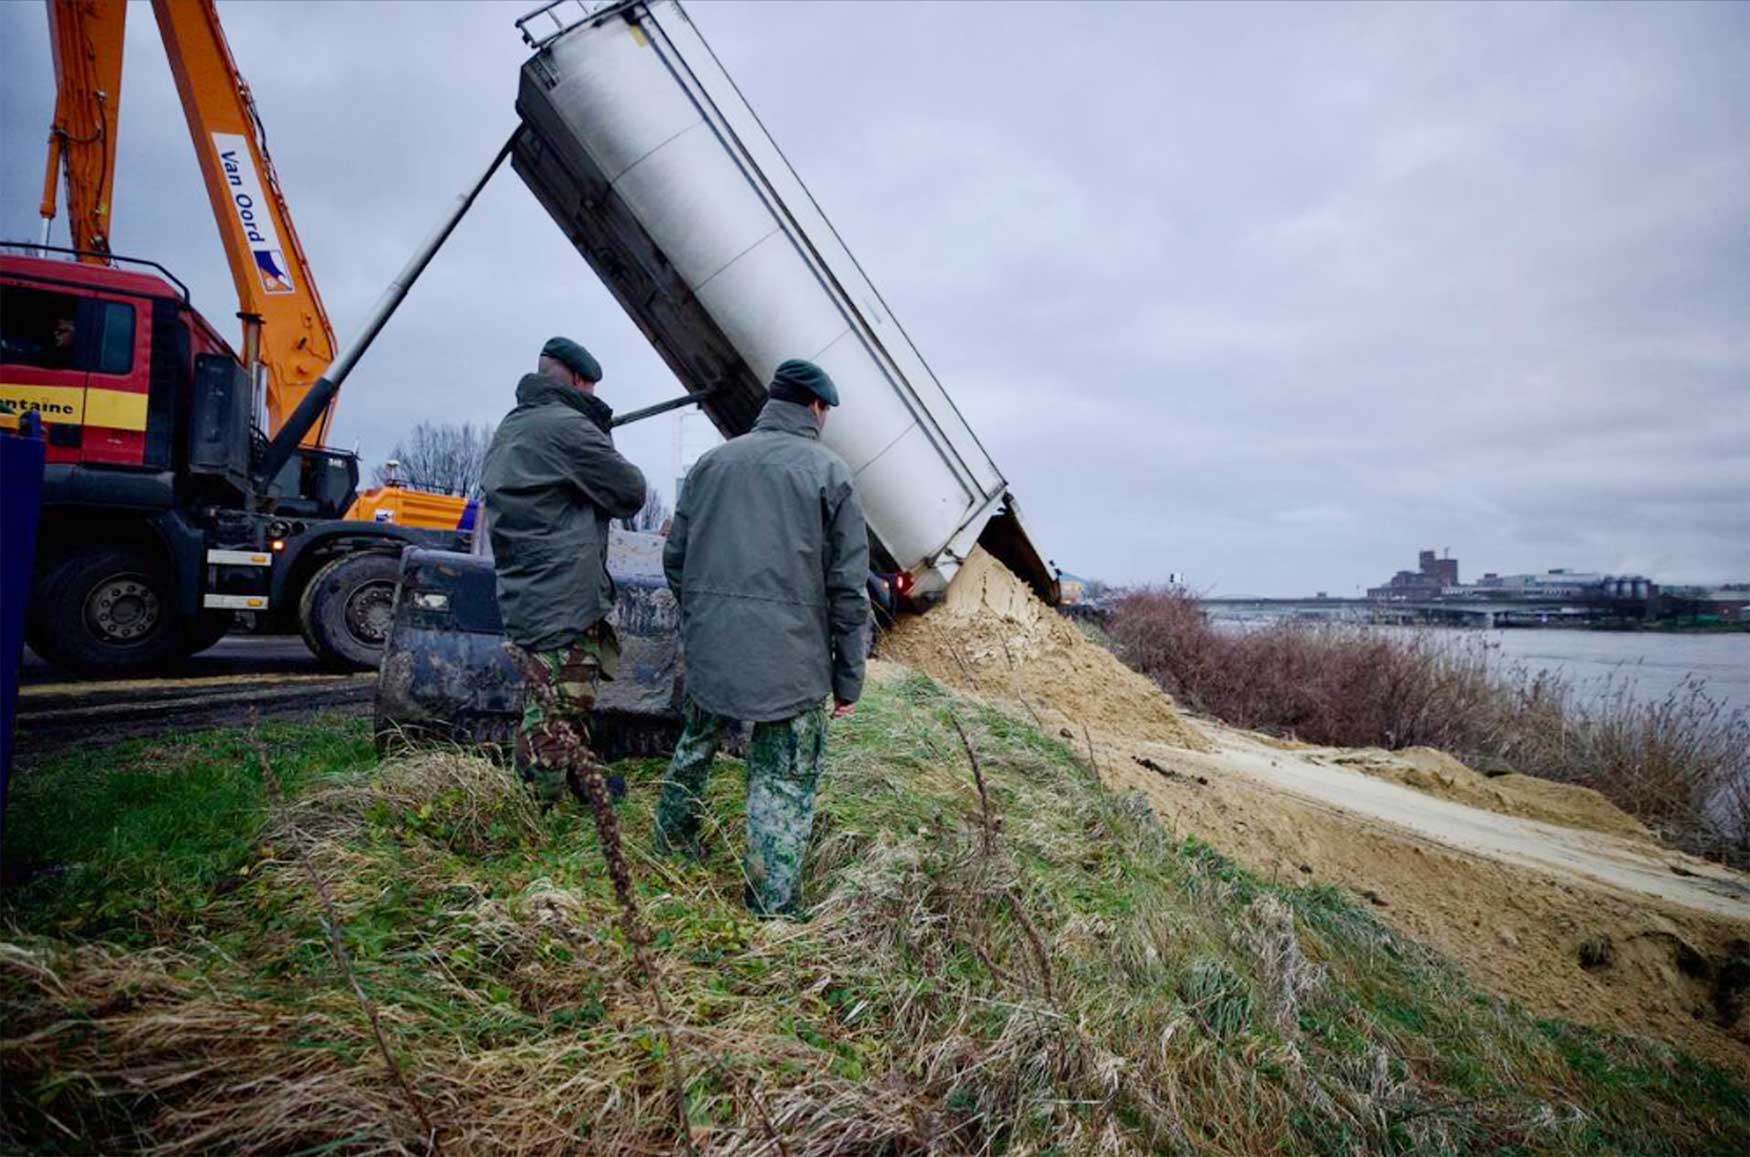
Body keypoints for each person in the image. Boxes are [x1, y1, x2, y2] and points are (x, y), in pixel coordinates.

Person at [654, 358, 870, 918]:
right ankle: (769, 906)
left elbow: (674, 560)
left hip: (712, 649)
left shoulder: (711, 464)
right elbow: (848, 591)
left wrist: (704, 619)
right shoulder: (830, 474)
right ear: (816, 407)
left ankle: (670, 850)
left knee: (694, 748)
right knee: (782, 778)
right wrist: (849, 678)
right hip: (792, 666)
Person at [480, 337, 647, 806]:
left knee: (564, 694)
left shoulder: (515, 425)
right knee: (556, 706)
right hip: (562, 594)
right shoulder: (567, 427)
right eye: (591, 389)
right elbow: (630, 491)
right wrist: (595, 429)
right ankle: (535, 811)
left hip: (529, 585)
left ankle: (580, 781)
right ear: (578, 380)